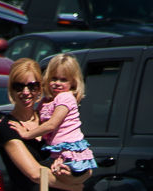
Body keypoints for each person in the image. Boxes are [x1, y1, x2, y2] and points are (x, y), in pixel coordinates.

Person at [0, 58, 84, 191]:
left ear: (40, 88)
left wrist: (79, 178)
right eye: (19, 86)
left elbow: (76, 154)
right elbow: (35, 174)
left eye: (32, 86)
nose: (26, 92)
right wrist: (72, 185)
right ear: (11, 89)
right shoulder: (7, 128)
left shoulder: (49, 121)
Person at [10, 53, 95, 184]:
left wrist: (26, 134)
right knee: (49, 176)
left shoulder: (65, 98)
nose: (57, 84)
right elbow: (35, 118)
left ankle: (73, 188)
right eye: (54, 79)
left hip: (69, 153)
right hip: (57, 152)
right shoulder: (46, 100)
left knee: (42, 174)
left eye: (63, 80)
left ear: (73, 82)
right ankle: (73, 189)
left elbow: (51, 125)